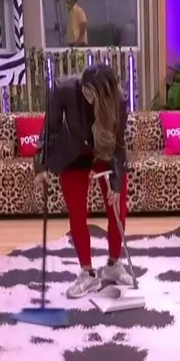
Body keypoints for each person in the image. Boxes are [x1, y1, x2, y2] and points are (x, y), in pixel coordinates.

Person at [33, 64, 133, 299]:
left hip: (105, 152)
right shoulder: (64, 90)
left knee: (118, 207)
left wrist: (116, 185)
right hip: (73, 153)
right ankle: (87, 273)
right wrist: (41, 165)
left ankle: (114, 264)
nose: (90, 96)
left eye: (95, 93)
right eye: (88, 91)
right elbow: (50, 129)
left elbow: (119, 144)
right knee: (77, 212)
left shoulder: (119, 99)